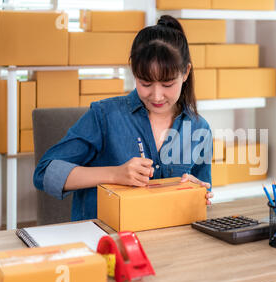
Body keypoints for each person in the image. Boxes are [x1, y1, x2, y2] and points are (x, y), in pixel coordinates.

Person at [33, 15, 213, 221]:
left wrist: (197, 192)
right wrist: (115, 174)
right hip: (105, 240)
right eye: (145, 83)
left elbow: (205, 195)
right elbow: (44, 173)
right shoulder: (104, 116)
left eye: (167, 84)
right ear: (134, 73)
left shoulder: (199, 129)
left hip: (169, 239)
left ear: (186, 72)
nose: (156, 95)